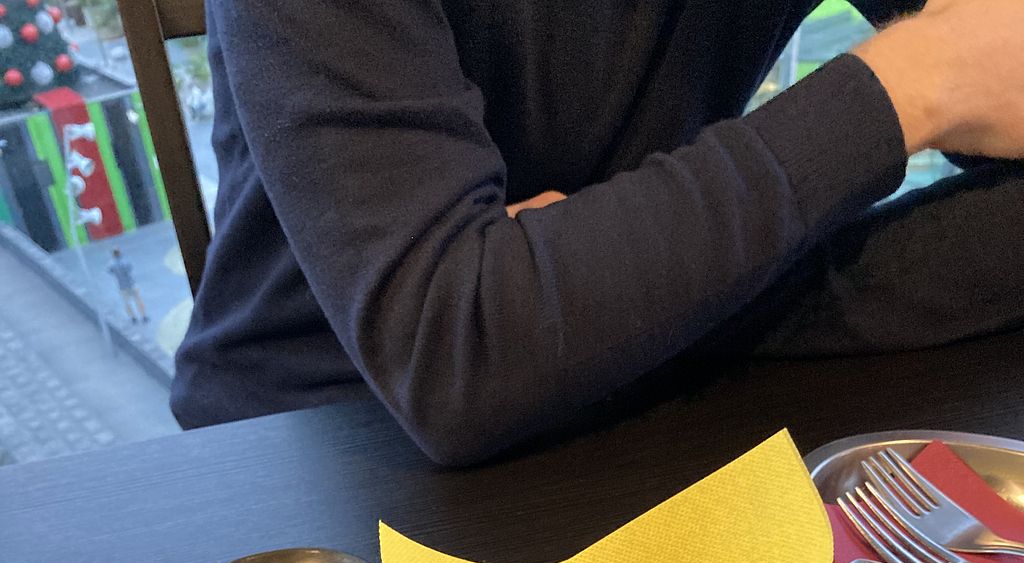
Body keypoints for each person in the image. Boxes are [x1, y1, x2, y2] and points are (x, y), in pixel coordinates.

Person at [171, 0, 1024, 466]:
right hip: (318, 438)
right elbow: (454, 347)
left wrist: (589, 290)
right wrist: (913, 82)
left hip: (652, 384)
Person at [108, 248, 149, 325]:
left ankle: (133, 318)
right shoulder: (125, 262)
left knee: (127, 303)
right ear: (120, 253)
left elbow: (110, 271)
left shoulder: (111, 264)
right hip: (131, 284)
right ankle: (144, 316)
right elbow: (130, 269)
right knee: (138, 300)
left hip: (122, 286)